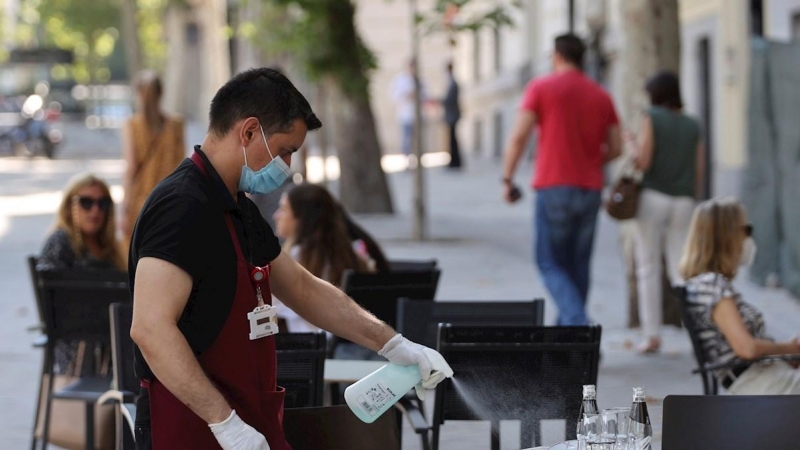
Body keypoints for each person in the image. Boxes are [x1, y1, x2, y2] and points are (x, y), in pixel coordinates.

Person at [128, 68, 453, 450]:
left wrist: (395, 344)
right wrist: (225, 423)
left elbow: (302, 288)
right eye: (285, 150)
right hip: (191, 426)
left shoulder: (238, 207)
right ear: (249, 132)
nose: (287, 165)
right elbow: (150, 329)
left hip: (248, 414)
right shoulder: (180, 206)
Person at [501, 34, 622, 325]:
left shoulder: (541, 87)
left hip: (554, 185)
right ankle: (570, 338)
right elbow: (617, 147)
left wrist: (507, 178)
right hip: (590, 188)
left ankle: (579, 325)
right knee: (578, 264)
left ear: (556, 56)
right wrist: (592, 161)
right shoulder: (601, 94)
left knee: (550, 262)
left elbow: (519, 137)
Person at [680, 198, 800, 395]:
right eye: (746, 229)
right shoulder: (711, 285)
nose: (749, 238)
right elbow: (746, 349)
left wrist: (786, 354)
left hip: (766, 377)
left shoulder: (705, 285)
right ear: (727, 236)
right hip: (761, 383)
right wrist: (787, 348)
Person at [629, 71, 704, 353]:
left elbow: (644, 162)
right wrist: (692, 197)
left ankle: (651, 336)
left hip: (653, 197)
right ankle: (697, 331)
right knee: (682, 269)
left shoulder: (652, 116)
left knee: (648, 266)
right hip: (684, 200)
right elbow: (699, 168)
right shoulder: (693, 124)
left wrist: (632, 145)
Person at [37, 173, 126, 374]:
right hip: (81, 348)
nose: (95, 210)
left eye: (102, 203)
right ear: (70, 206)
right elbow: (53, 310)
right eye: (86, 202)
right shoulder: (60, 243)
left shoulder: (109, 248)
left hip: (111, 339)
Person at [271, 183, 374, 332]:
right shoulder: (352, 255)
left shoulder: (294, 259)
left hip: (306, 346)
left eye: (283, 209)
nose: (276, 215)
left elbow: (270, 309)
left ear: (301, 218)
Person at [121, 70, 186, 243]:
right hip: (169, 201)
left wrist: (125, 207)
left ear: (138, 94)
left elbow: (132, 167)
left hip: (140, 202)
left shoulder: (132, 125)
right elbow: (182, 166)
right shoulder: (176, 124)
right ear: (161, 93)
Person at [391, 58, 425, 156]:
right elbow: (394, 96)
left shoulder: (420, 79)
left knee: (418, 139)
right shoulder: (400, 79)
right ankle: (406, 158)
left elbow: (426, 95)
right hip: (405, 114)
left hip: (418, 115)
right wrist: (407, 95)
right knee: (406, 139)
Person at [442, 61, 462, 169]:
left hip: (452, 115)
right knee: (451, 139)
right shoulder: (450, 82)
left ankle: (455, 162)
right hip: (451, 115)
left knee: (453, 140)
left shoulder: (453, 83)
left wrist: (439, 101)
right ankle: (453, 161)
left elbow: (450, 100)